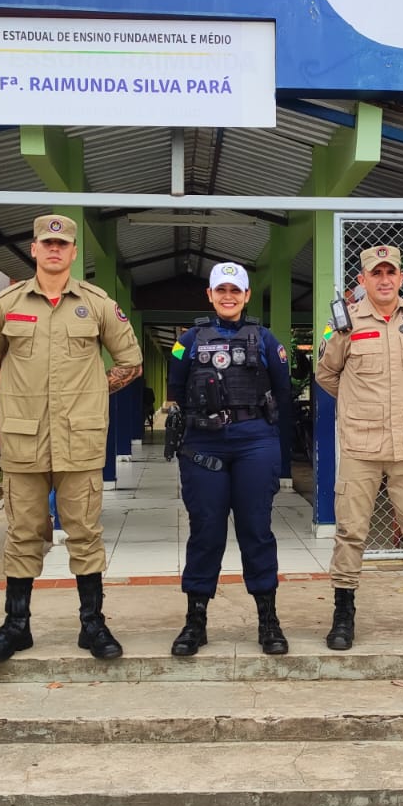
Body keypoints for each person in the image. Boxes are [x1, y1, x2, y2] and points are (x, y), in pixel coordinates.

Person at [0, 214, 143, 662]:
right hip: (23, 438)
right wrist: (20, 393)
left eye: (62, 244)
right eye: (46, 243)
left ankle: (93, 624)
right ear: (33, 249)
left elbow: (130, 361)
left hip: (79, 440)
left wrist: (91, 390)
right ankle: (16, 626)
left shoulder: (98, 304)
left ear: (72, 253)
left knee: (85, 534)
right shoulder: (6, 304)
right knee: (22, 534)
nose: (54, 250)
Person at [316, 245, 403, 649]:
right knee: (350, 532)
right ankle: (344, 615)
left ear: (401, 276)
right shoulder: (344, 322)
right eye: (376, 273)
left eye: (391, 272)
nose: (384, 279)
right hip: (361, 445)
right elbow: (327, 374)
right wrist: (359, 404)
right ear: (363, 280)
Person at [164, 262, 293, 656]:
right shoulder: (189, 339)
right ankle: (195, 621)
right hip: (204, 443)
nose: (228, 296)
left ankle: (268, 620)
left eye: (235, 290)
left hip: (254, 439)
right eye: (221, 289)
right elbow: (176, 389)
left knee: (256, 529)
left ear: (247, 295)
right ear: (210, 294)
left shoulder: (266, 338)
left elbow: (283, 391)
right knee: (206, 531)